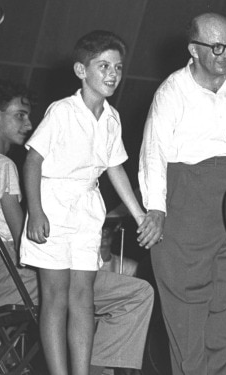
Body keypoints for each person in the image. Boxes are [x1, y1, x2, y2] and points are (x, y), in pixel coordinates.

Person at [0, 80, 153, 375]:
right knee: (136, 294)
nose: (29, 123)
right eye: (20, 115)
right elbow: (27, 240)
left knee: (82, 298)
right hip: (14, 280)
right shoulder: (1, 166)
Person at [138, 12, 226, 375]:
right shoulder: (172, 91)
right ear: (193, 50)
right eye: (215, 47)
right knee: (187, 308)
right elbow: (153, 152)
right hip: (188, 198)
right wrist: (156, 207)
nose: (225, 54)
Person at [18, 30, 150, 375]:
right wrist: (35, 211)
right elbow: (32, 161)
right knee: (56, 298)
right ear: (81, 70)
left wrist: (139, 215)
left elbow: (115, 167)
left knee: (83, 298)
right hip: (53, 204)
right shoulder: (62, 111)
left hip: (87, 209)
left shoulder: (111, 118)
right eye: (103, 65)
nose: (112, 74)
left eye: (118, 68)